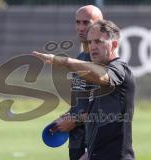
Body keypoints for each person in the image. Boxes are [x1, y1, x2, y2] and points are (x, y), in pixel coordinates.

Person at [33, 19, 135, 160]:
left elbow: (103, 75)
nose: (92, 47)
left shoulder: (120, 69)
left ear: (114, 44)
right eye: (90, 42)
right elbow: (95, 120)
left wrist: (65, 61)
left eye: (98, 42)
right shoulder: (94, 79)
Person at [50, 5, 103, 160]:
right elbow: (83, 102)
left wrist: (74, 120)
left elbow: (108, 110)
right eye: (77, 22)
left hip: (96, 143)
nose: (81, 27)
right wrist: (64, 119)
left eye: (86, 23)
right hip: (77, 141)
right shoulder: (80, 58)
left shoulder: (103, 61)